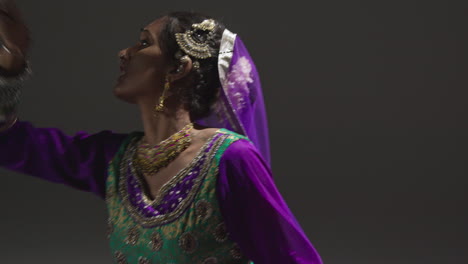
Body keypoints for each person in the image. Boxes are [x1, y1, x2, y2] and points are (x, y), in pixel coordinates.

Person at [0, 1, 323, 263]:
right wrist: (10, 69)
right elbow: (12, 144)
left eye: (143, 43)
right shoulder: (116, 159)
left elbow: (291, 257)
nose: (124, 53)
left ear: (178, 67)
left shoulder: (229, 159)